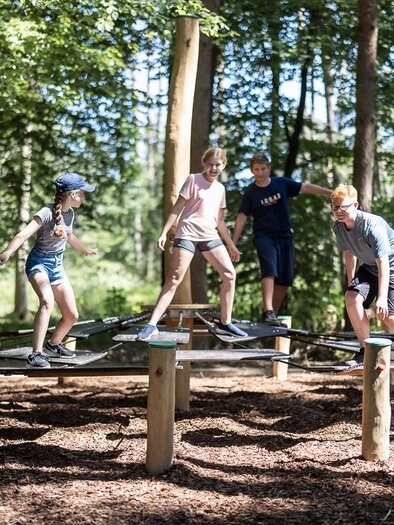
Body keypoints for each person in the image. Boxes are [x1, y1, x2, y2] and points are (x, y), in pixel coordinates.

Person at [137, 147, 247, 341]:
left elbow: (219, 220)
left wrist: (231, 245)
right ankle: (151, 325)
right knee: (174, 279)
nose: (214, 168)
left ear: (223, 165)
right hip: (187, 233)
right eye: (210, 164)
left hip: (209, 235)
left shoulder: (220, 189)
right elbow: (178, 207)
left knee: (230, 274)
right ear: (204, 164)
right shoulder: (193, 180)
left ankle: (225, 321)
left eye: (218, 164)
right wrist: (164, 233)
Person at [0, 173, 97, 368]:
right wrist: (7, 252)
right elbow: (23, 235)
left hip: (57, 266)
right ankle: (35, 354)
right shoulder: (46, 212)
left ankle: (53, 344)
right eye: (82, 193)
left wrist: (85, 250)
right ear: (72, 194)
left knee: (71, 315)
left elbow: (69, 236)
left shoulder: (70, 214)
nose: (84, 197)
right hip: (38, 263)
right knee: (47, 302)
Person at [232, 153, 331, 326]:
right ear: (252, 170)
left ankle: (272, 317)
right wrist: (233, 243)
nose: (260, 172)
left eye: (263, 168)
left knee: (285, 278)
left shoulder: (281, 183)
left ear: (269, 168)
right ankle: (268, 310)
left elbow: (305, 187)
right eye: (256, 169)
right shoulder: (250, 193)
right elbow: (242, 217)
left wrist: (330, 193)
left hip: (284, 236)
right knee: (269, 270)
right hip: (263, 236)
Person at [331, 183, 394, 365]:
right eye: (335, 207)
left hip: (390, 266)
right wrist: (352, 282)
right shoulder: (338, 228)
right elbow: (348, 253)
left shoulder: (372, 225)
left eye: (344, 206)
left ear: (355, 205)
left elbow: (383, 263)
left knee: (387, 316)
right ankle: (365, 351)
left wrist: (381, 298)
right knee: (351, 298)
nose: (339, 211)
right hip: (368, 267)